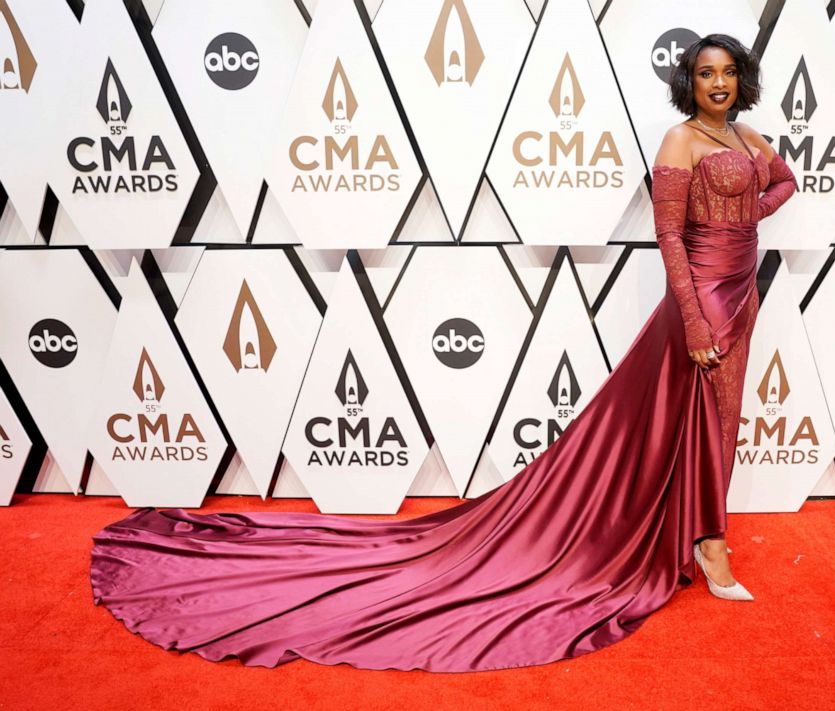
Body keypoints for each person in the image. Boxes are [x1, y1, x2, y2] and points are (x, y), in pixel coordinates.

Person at [89, 33, 796, 673]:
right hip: (700, 295)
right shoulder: (680, 143)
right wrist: (696, 316)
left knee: (721, 418)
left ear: (741, 80)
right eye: (706, 73)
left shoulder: (746, 136)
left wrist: (743, 219)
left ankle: (698, 528)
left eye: (729, 72)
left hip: (742, 287)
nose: (719, 83)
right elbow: (670, 236)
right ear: (689, 82)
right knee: (700, 414)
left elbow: (785, 182)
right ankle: (709, 542)